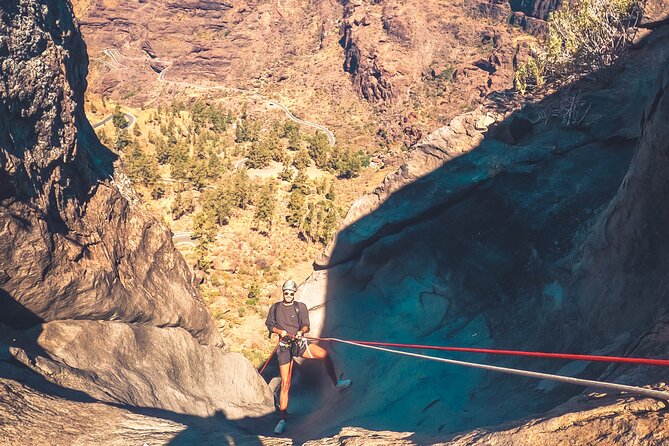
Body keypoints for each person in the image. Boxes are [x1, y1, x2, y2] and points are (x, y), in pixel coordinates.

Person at [265, 279, 351, 435]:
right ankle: (282, 420)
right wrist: (279, 332)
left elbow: (306, 324)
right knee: (285, 383)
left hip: (298, 344)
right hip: (284, 348)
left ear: (294, 293)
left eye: (291, 293)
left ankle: (336, 383)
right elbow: (269, 324)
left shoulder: (300, 307)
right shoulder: (275, 308)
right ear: (283, 292)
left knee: (324, 355)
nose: (288, 295)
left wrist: (301, 332)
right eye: (286, 292)